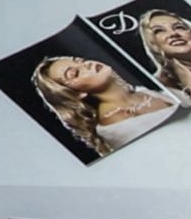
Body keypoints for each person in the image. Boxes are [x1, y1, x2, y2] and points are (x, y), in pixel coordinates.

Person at [31, 56, 177, 157]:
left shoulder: (142, 91)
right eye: (75, 73)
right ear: (78, 93)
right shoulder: (116, 120)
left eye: (80, 61)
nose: (86, 64)